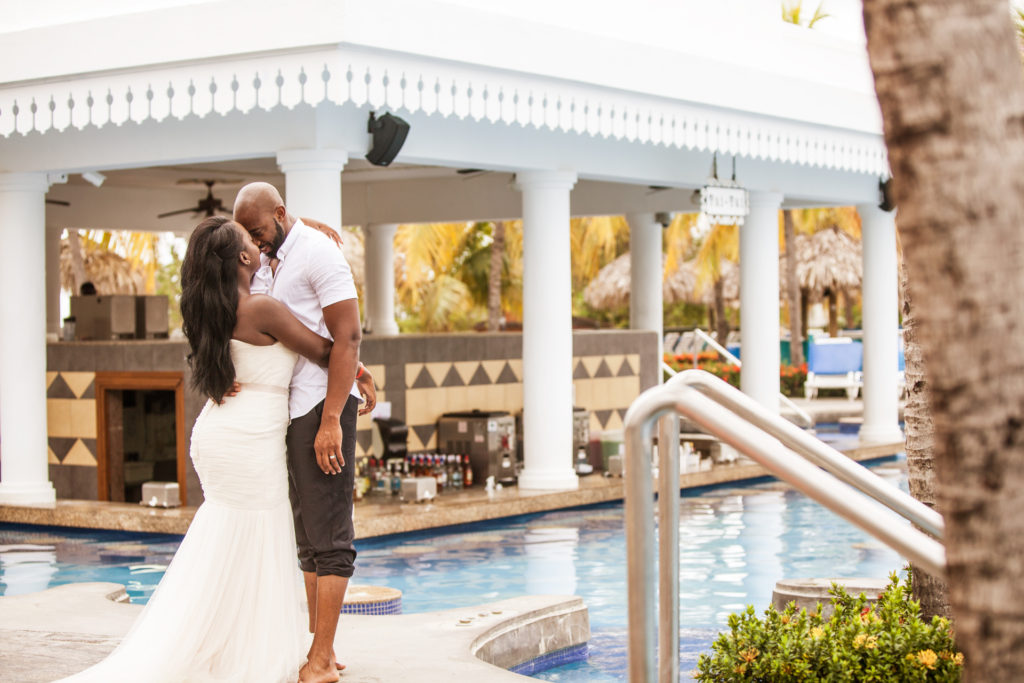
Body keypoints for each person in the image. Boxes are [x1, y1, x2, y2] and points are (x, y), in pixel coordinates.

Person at [60, 216, 355, 682]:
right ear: (243, 257)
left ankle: (220, 642)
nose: (258, 243)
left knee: (226, 540)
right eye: (250, 241)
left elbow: (244, 231)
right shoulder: (263, 309)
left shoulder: (209, 312)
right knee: (257, 541)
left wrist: (302, 224)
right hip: (251, 439)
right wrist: (361, 372)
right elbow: (328, 349)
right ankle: (255, 653)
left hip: (219, 432)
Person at [233, 182, 364, 683]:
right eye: (246, 234)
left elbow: (348, 335)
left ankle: (322, 659)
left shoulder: (317, 253)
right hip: (291, 411)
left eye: (259, 230)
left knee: (330, 538)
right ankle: (320, 649)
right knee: (307, 541)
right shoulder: (269, 259)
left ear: (281, 214)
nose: (253, 241)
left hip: (320, 406)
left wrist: (332, 418)